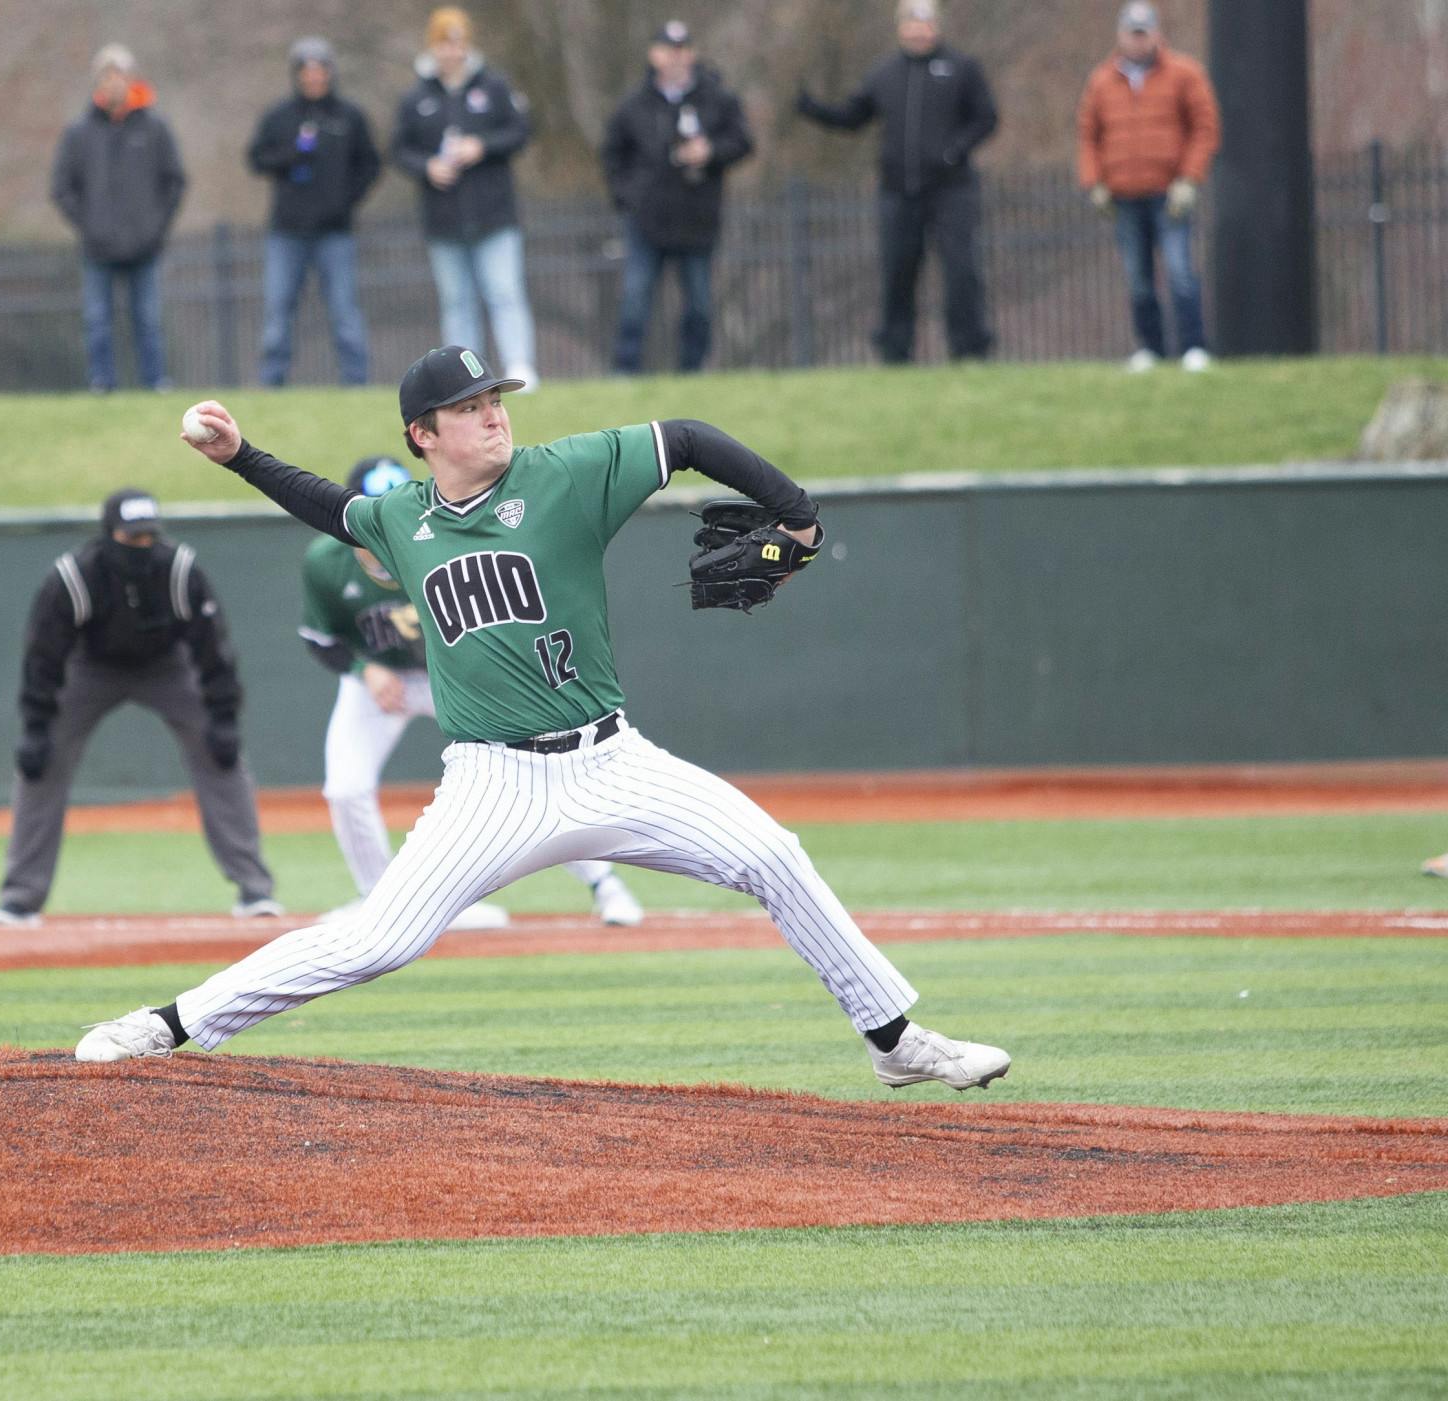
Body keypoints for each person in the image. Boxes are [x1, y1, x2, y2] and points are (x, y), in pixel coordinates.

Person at [72, 345, 1011, 1096]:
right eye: (472, 405)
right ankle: (169, 1023)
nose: (495, 413)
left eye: (497, 397)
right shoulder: (406, 520)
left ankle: (894, 1040)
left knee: (772, 854)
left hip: (614, 760)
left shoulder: (563, 476)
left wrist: (796, 515)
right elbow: (332, 509)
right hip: (493, 782)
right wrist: (241, 457)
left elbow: (682, 435)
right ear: (423, 433)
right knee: (379, 939)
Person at [300, 454, 645, 931]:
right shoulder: (326, 563)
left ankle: (605, 883)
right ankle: (375, 902)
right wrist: (365, 670)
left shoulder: (435, 538)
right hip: (386, 682)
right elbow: (319, 638)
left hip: (461, 676)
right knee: (345, 787)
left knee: (533, 774)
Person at [0, 490, 280, 927]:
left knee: (221, 756)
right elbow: (42, 657)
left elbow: (214, 650)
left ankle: (255, 888)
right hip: (90, 668)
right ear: (109, 534)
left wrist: (223, 717)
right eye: (130, 537)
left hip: (167, 667)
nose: (141, 547)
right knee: (40, 764)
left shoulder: (179, 569)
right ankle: (20, 898)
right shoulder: (73, 576)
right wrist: (35, 727)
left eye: (148, 538)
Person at [796, 0, 998, 364]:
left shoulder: (961, 68)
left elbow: (986, 118)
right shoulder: (884, 73)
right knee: (897, 272)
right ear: (900, 27)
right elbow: (853, 116)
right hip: (897, 191)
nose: (918, 30)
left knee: (961, 269)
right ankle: (894, 351)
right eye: (911, 23)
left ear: (937, 26)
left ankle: (970, 348)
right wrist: (813, 109)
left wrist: (954, 150)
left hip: (952, 189)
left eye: (925, 23)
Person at [391, 7, 540, 389]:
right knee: (457, 302)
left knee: (504, 292)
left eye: (457, 42)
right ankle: (464, 380)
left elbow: (520, 131)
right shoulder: (416, 98)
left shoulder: (493, 87)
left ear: (467, 45)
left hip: (494, 215)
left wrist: (482, 146)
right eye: (444, 42)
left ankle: (520, 366)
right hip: (444, 219)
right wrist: (427, 167)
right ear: (433, 46)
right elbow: (399, 150)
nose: (451, 51)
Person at [600, 20, 753, 375]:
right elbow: (612, 155)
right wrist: (627, 197)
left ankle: (692, 371)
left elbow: (743, 141)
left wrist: (711, 151)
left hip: (697, 217)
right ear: (654, 55)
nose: (676, 58)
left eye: (683, 50)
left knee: (698, 303)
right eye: (669, 50)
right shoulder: (634, 104)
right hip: (647, 219)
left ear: (693, 54)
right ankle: (625, 372)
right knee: (635, 300)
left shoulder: (716, 98)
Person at [1077, 1, 1221, 374]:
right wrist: (1094, 183)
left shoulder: (1184, 74)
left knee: (1180, 273)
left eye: (1143, 33)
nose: (1137, 41)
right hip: (1124, 195)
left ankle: (1193, 346)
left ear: (1156, 34)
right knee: (1138, 279)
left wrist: (1189, 179)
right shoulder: (1101, 80)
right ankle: (1151, 349)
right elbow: (1088, 136)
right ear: (1120, 35)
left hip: (1169, 193)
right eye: (1131, 33)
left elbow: (1205, 129)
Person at [50, 45, 186, 392]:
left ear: (131, 79)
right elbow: (61, 188)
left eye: (119, 76)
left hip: (145, 246)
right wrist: (89, 227)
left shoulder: (155, 128)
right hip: (98, 249)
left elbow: (175, 182)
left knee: (150, 320)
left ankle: (156, 382)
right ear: (98, 83)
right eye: (106, 77)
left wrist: (156, 228)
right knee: (97, 321)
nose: (113, 84)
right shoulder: (79, 132)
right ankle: (102, 384)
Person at [248, 37, 382, 388]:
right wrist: (290, 155)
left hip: (334, 232)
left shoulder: (349, 116)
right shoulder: (279, 117)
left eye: (320, 70)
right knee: (278, 314)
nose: (313, 78)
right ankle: (272, 383)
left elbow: (370, 164)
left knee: (344, 313)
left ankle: (356, 383)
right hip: (287, 231)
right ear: (297, 75)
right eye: (306, 72)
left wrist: (345, 199)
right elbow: (257, 158)